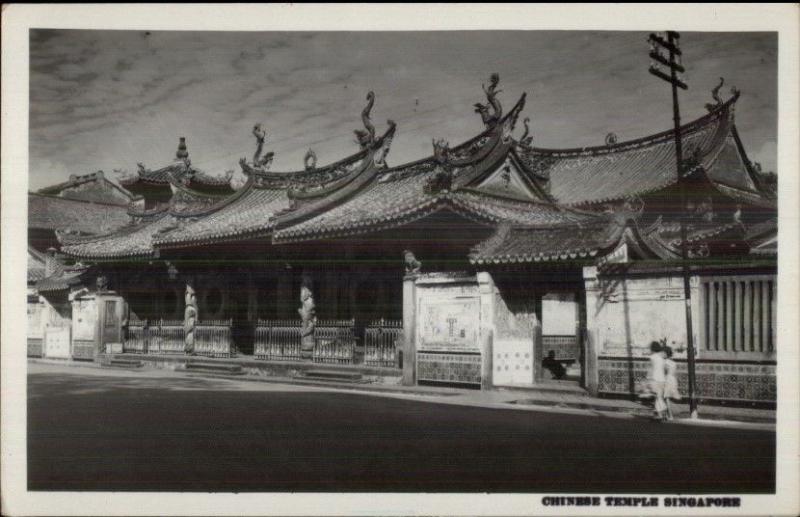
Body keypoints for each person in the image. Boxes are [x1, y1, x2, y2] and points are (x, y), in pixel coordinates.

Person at [645, 341, 667, 421]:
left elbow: (651, 369)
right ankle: (661, 414)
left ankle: (661, 414)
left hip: (655, 379)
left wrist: (648, 378)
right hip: (662, 379)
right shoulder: (662, 357)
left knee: (657, 397)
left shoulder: (652, 357)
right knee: (659, 397)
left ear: (652, 348)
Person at [663, 346, 682, 420]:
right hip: (673, 379)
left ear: (665, 353)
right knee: (667, 397)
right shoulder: (673, 363)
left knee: (666, 398)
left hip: (667, 379)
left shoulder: (665, 362)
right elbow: (674, 373)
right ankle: (668, 414)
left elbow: (664, 372)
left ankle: (670, 415)